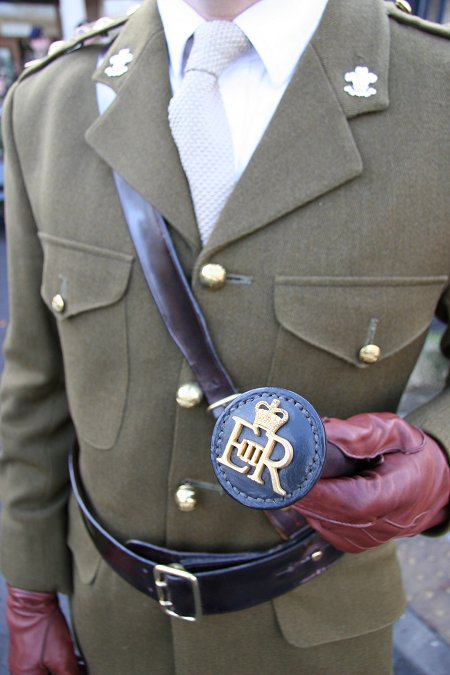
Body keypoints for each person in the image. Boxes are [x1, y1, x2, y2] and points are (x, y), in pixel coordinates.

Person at [1, 0, 450, 673]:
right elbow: (35, 377)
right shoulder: (49, 103)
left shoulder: (435, 95)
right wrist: (28, 586)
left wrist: (443, 457)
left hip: (319, 639)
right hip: (112, 626)